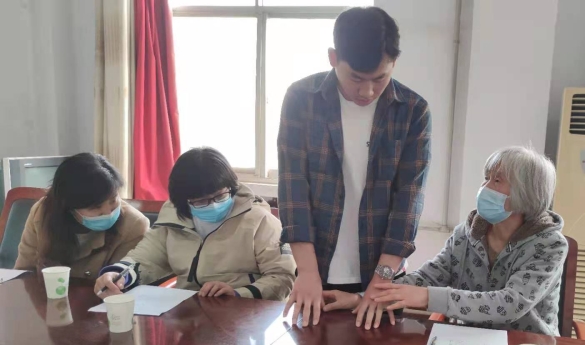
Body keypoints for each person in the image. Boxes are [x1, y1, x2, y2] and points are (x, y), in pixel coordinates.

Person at [278, 6, 431, 328]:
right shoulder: (302, 99)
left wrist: (382, 281)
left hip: (381, 274)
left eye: (380, 78)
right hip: (316, 269)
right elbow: (293, 189)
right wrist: (307, 271)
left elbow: (409, 201)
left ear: (394, 63)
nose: (367, 91)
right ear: (333, 58)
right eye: (356, 78)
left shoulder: (412, 111)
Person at [326, 146, 567, 334]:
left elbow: (511, 304)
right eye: (486, 178)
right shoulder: (466, 234)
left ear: (526, 192)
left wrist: (426, 297)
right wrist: (361, 299)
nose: (484, 187)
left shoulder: (550, 245)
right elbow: (429, 276)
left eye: (496, 180)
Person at [94, 147, 296, 300]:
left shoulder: (259, 220)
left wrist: (239, 293)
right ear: (183, 202)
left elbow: (282, 277)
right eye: (200, 201)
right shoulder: (173, 217)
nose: (213, 205)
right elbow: (145, 258)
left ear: (231, 187)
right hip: (189, 311)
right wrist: (117, 273)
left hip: (246, 313)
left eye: (220, 196)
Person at [15, 153, 149, 278]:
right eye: (96, 207)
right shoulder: (43, 213)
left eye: (113, 200)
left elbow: (122, 280)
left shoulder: (134, 225)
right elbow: (24, 272)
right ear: (69, 207)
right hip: (47, 294)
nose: (108, 212)